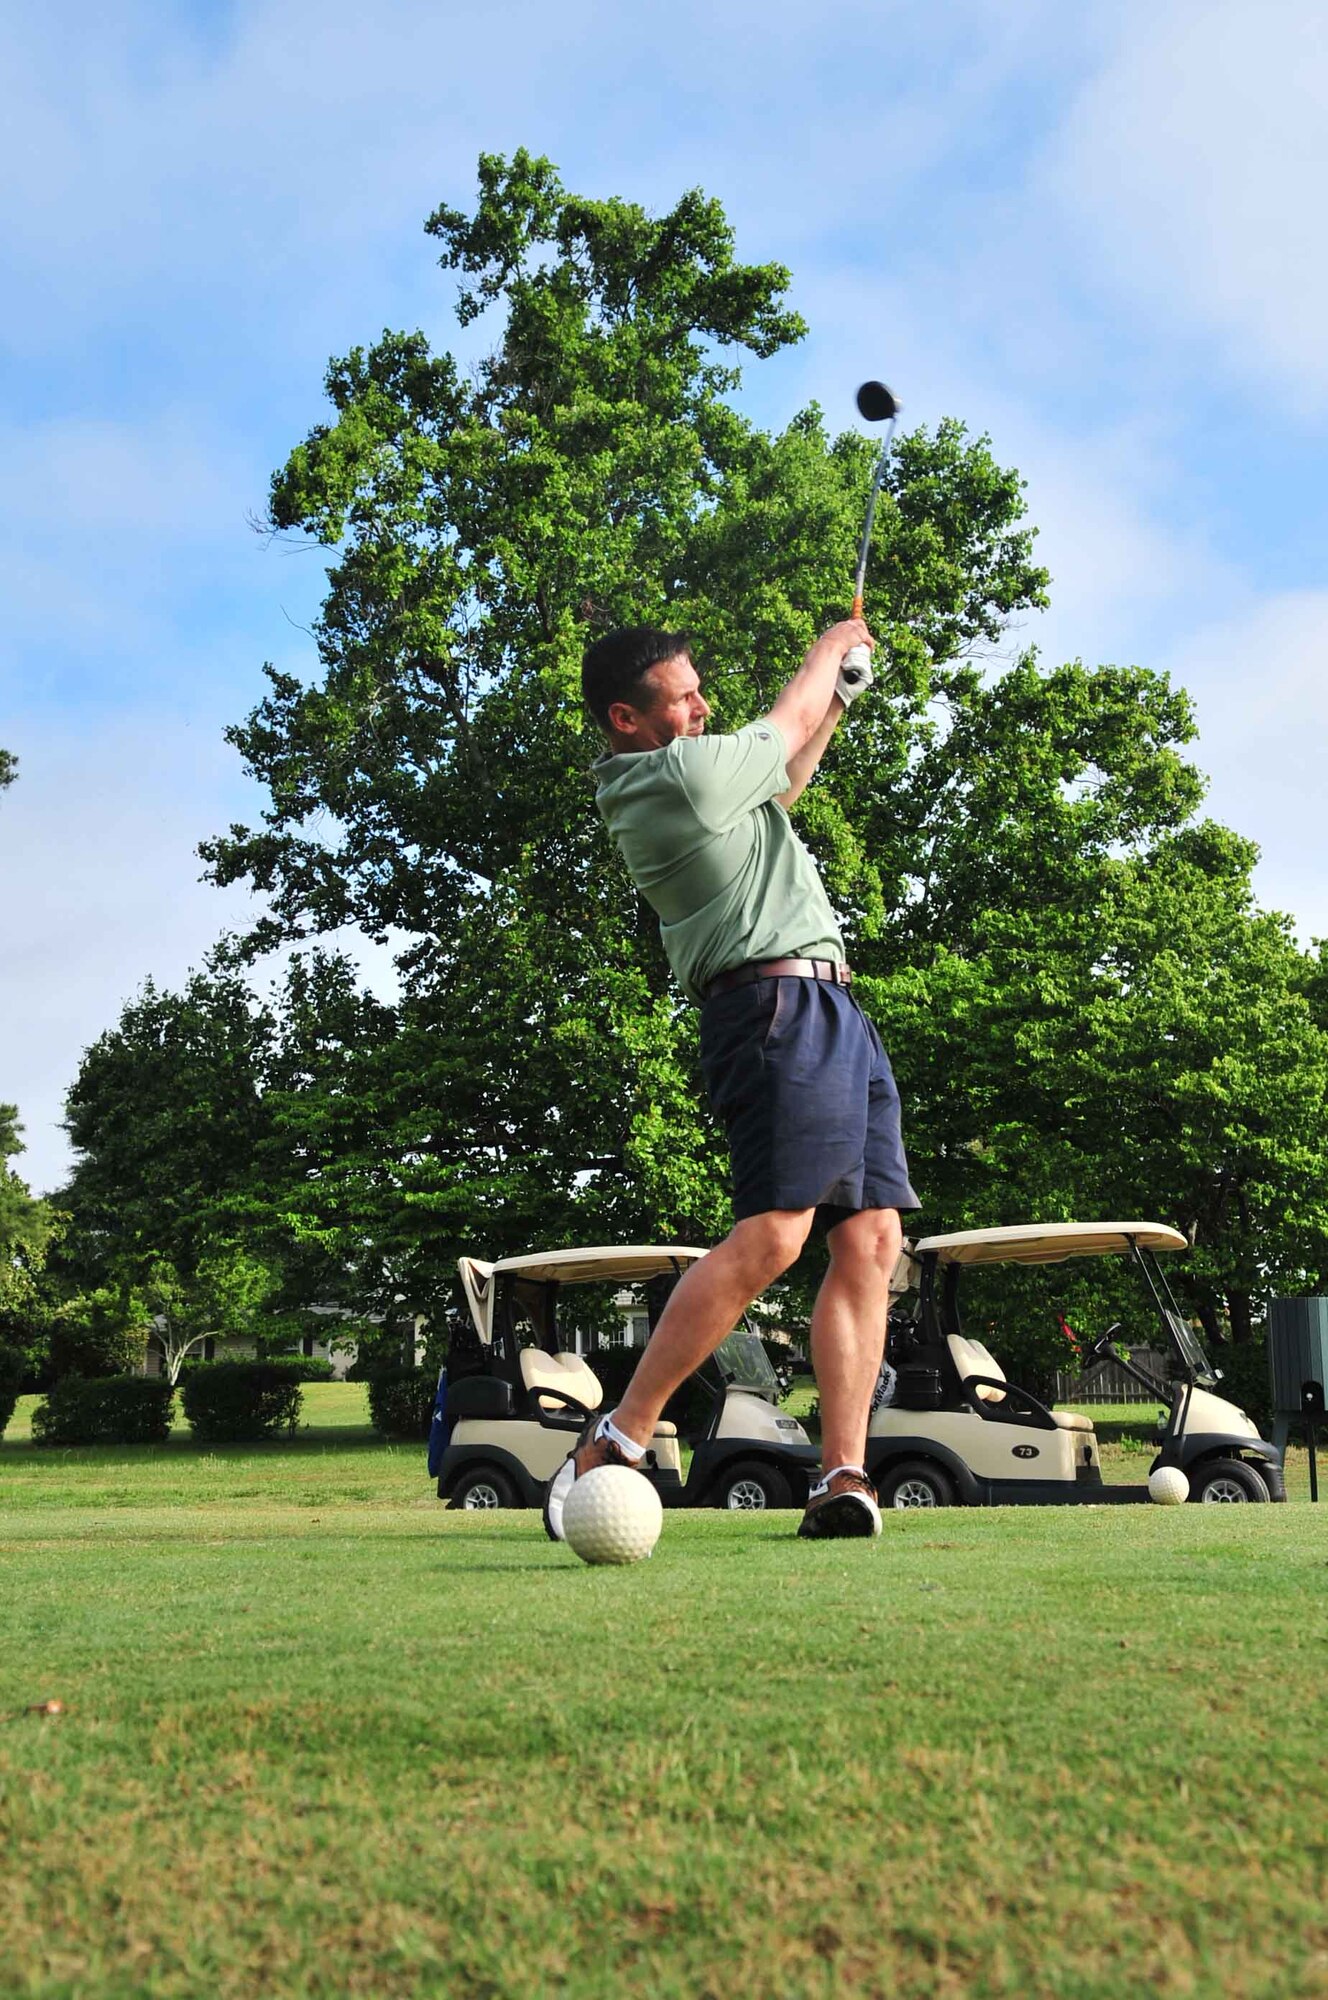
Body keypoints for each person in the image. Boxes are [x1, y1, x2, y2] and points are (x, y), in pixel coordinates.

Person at [548, 621, 919, 1540]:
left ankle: (842, 1474)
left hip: (832, 1008)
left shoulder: (709, 779)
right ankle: (621, 1434)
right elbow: (784, 724)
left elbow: (788, 777)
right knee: (775, 1237)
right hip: (770, 1011)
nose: (701, 705)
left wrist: (840, 696)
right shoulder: (666, 779)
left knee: (871, 1239)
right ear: (627, 719)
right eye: (683, 696)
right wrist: (827, 654)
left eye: (699, 689)